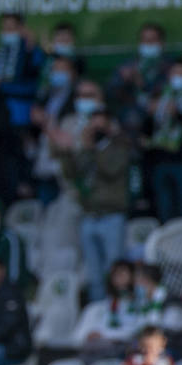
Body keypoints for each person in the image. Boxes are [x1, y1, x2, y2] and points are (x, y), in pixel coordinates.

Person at [52, 104, 132, 301]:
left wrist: (98, 145)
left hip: (112, 217)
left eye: (100, 126)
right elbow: (72, 174)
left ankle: (117, 313)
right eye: (92, 125)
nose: (95, 130)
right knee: (94, 274)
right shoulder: (87, 149)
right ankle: (98, 315)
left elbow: (110, 169)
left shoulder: (119, 146)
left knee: (114, 271)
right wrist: (66, 152)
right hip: (88, 216)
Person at [145, 56, 182, 221]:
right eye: (175, 73)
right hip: (161, 162)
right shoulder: (161, 96)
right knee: (165, 211)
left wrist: (178, 114)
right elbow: (149, 130)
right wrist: (151, 114)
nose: (178, 77)